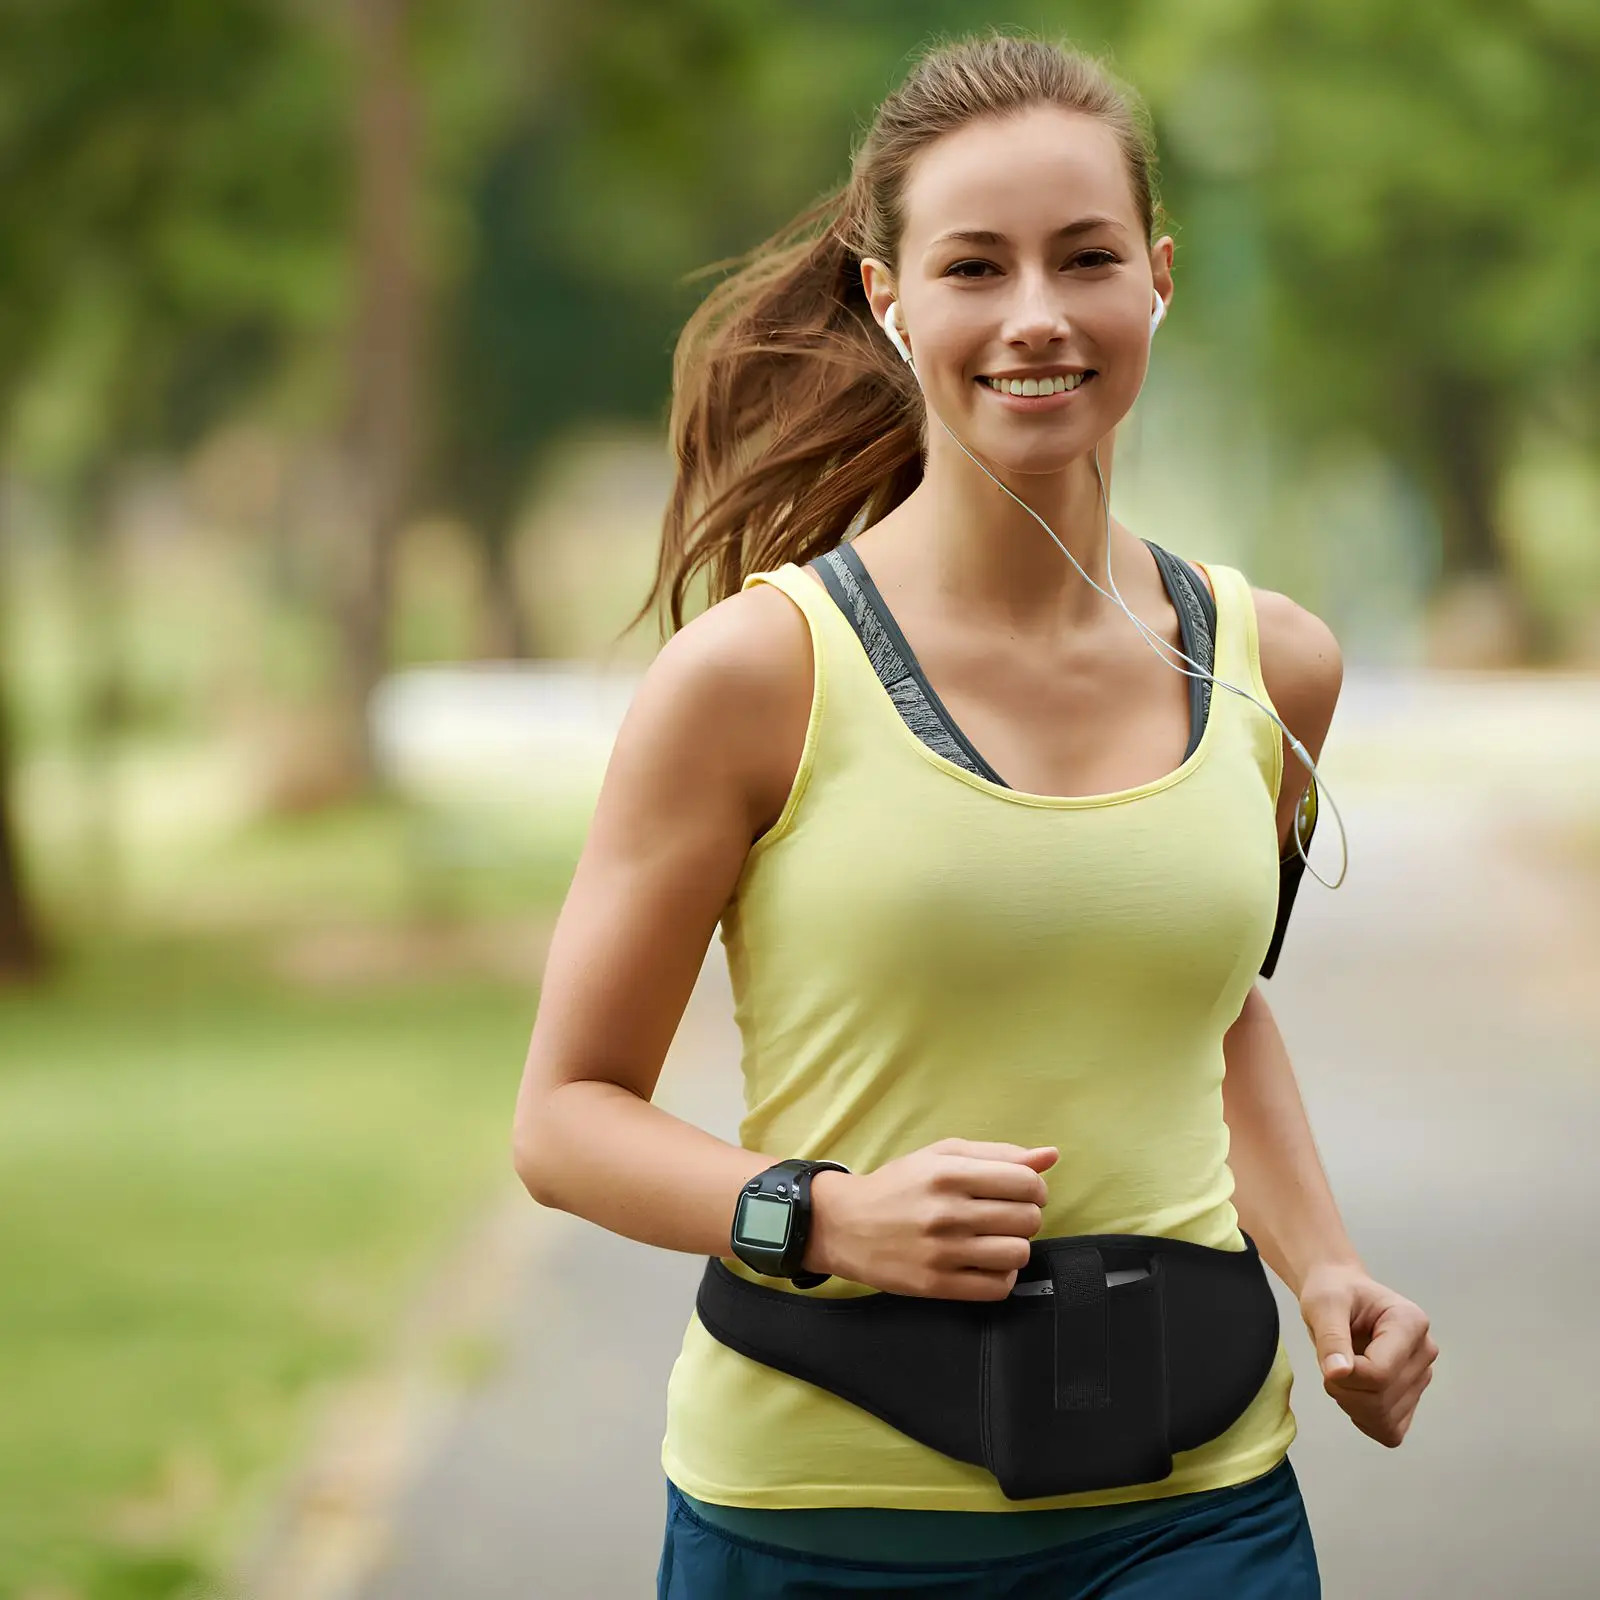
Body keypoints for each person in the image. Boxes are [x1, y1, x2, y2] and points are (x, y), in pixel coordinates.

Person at [512, 31, 1437, 1599]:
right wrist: (828, 1221)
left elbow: (1215, 1014)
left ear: (1157, 278)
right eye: (972, 266)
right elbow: (563, 1119)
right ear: (890, 301)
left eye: (1084, 260)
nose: (1035, 316)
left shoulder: (1274, 664)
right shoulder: (755, 676)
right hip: (815, 1522)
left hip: (1200, 1509)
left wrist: (1327, 1263)